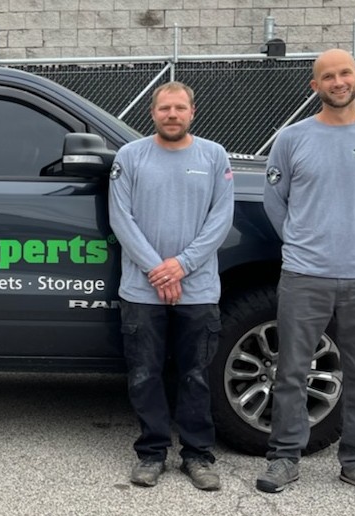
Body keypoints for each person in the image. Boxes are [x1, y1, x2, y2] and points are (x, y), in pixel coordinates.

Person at [257, 49, 355, 500]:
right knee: (291, 370)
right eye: (327, 76)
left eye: (344, 73)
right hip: (305, 274)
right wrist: (303, 243)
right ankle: (284, 457)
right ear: (314, 85)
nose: (337, 82)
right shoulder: (292, 138)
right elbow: (274, 200)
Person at [108, 81, 235, 491]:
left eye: (180, 108)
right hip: (141, 291)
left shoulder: (214, 156)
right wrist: (156, 270)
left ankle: (198, 455)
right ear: (153, 112)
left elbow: (220, 220)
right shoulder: (131, 156)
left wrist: (180, 267)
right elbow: (120, 219)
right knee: (144, 374)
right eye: (165, 108)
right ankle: (152, 452)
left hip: (197, 290)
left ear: (192, 113)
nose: (172, 115)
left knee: (195, 375)